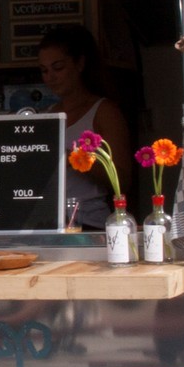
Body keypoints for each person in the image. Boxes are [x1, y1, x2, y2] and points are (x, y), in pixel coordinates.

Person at [37, 23, 133, 230]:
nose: (50, 77)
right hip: (47, 223)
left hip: (90, 223)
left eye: (58, 67)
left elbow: (122, 180)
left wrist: (77, 160)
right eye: (44, 70)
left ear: (79, 64)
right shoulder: (47, 114)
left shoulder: (104, 111)